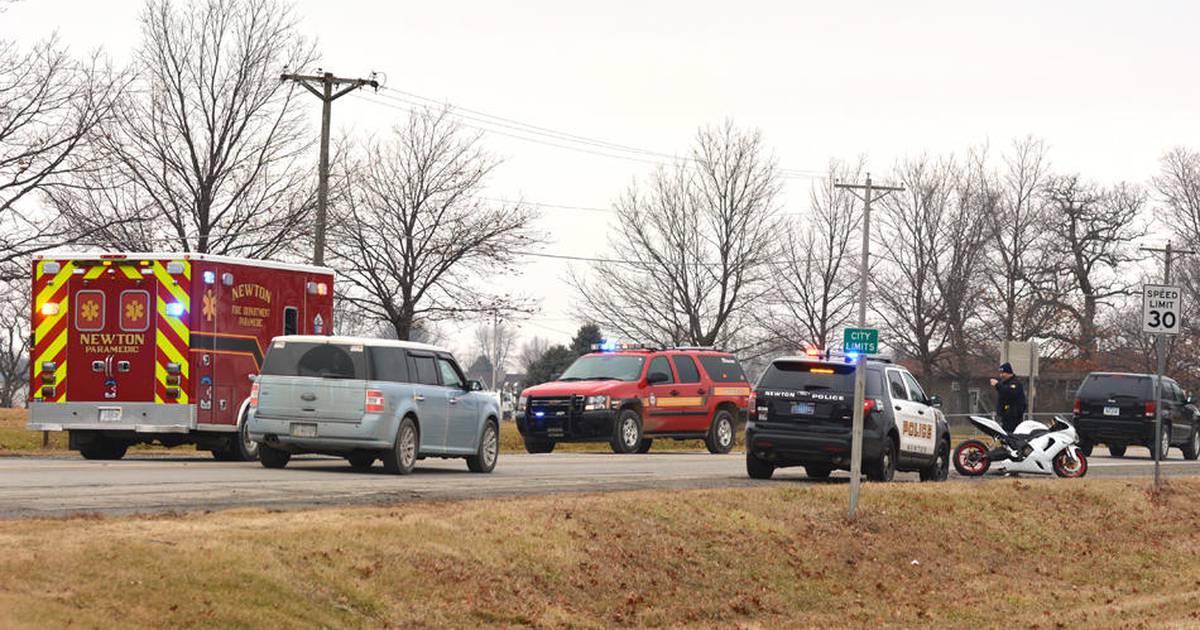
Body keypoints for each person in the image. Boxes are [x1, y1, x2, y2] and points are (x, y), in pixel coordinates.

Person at [990, 362, 1027, 435]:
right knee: (1005, 436)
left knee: (1011, 435)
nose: (1001, 375)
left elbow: (1009, 392)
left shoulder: (1015, 383)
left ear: (1008, 372)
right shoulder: (1005, 383)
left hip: (1013, 416)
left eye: (1003, 373)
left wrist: (997, 385)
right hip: (1005, 416)